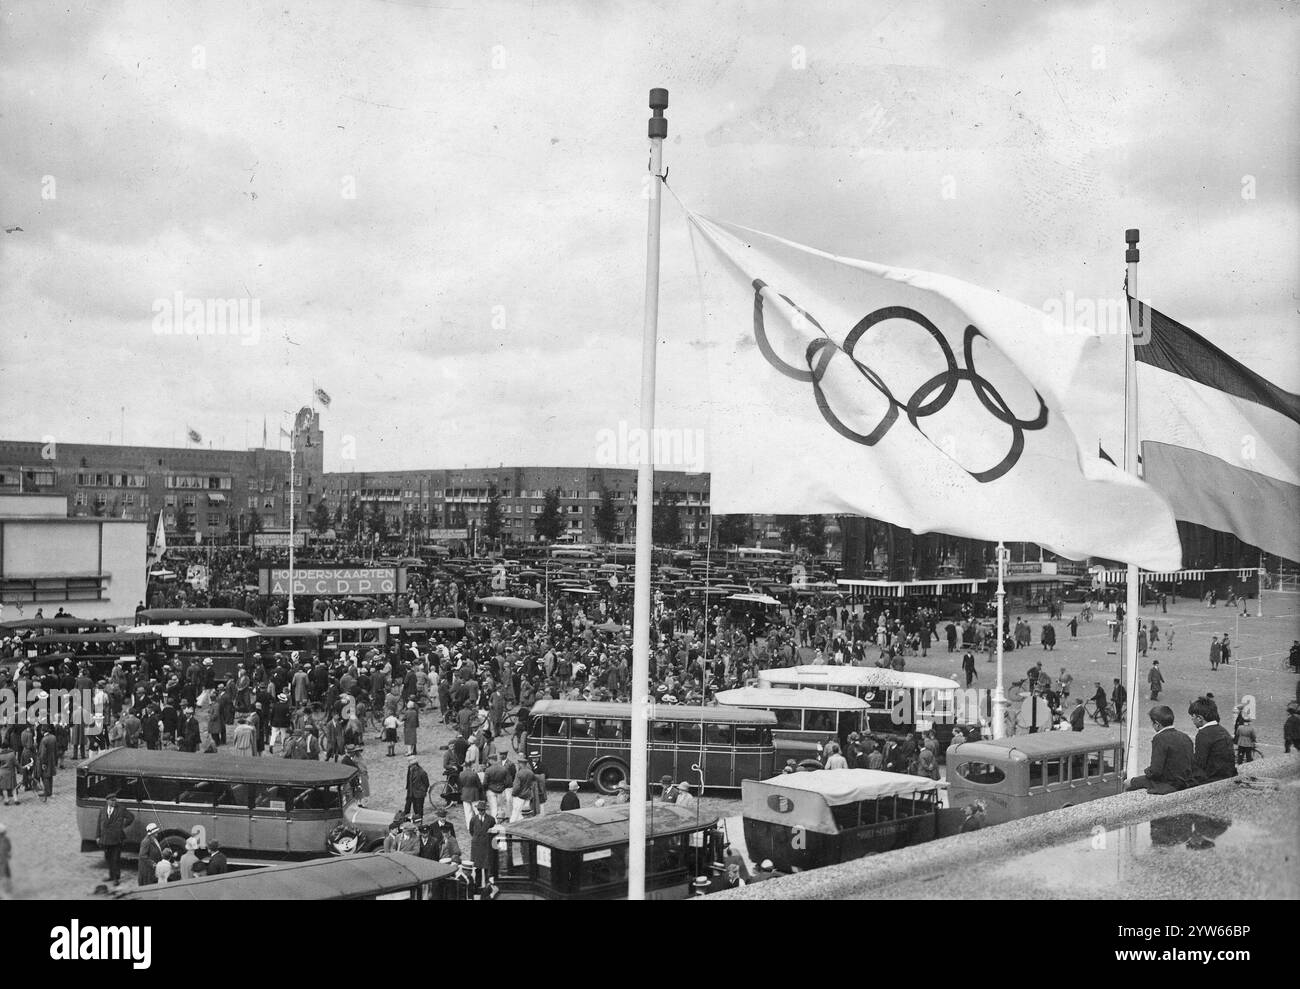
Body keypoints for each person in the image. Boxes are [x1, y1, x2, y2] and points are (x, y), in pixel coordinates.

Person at [1126, 706, 1194, 794]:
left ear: (1157, 724)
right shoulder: (1185, 736)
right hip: (1184, 782)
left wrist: (1147, 771)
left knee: (1127, 783)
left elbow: (1156, 771)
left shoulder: (1159, 738)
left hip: (1168, 783)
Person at [1187, 698, 1236, 785]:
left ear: (1199, 718)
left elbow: (1200, 763)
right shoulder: (1222, 730)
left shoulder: (1203, 734)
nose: (1191, 719)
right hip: (1227, 775)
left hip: (1212, 779)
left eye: (1192, 716)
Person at [95, 793, 136, 884]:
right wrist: (98, 836)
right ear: (107, 801)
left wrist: (123, 826)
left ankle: (116, 878)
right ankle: (111, 876)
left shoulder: (121, 809)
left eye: (115, 800)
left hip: (117, 838)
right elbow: (99, 824)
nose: (114, 802)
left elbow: (131, 817)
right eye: (112, 800)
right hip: (105, 838)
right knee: (108, 858)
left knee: (115, 858)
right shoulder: (102, 810)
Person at [467, 799, 496, 890]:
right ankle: (478, 885)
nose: (480, 811)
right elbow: (471, 831)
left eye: (482, 810)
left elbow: (493, 832)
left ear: (485, 810)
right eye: (479, 810)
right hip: (477, 846)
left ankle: (488, 887)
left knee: (487, 866)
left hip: (487, 845)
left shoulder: (491, 819)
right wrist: (477, 839)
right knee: (478, 867)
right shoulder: (473, 819)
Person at [404, 755, 430, 824]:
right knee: (412, 808)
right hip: (411, 792)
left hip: (419, 794)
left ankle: (420, 822)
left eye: (411, 763)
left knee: (419, 810)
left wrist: (422, 790)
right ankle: (414, 821)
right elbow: (408, 780)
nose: (410, 765)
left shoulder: (422, 772)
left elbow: (426, 783)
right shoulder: (409, 768)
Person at [0, 822, 11, 900]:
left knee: (5, 875)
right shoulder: (6, 840)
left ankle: (7, 891)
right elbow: (8, 848)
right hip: (3, 861)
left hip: (3, 861)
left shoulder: (6, 840)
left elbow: (8, 849)